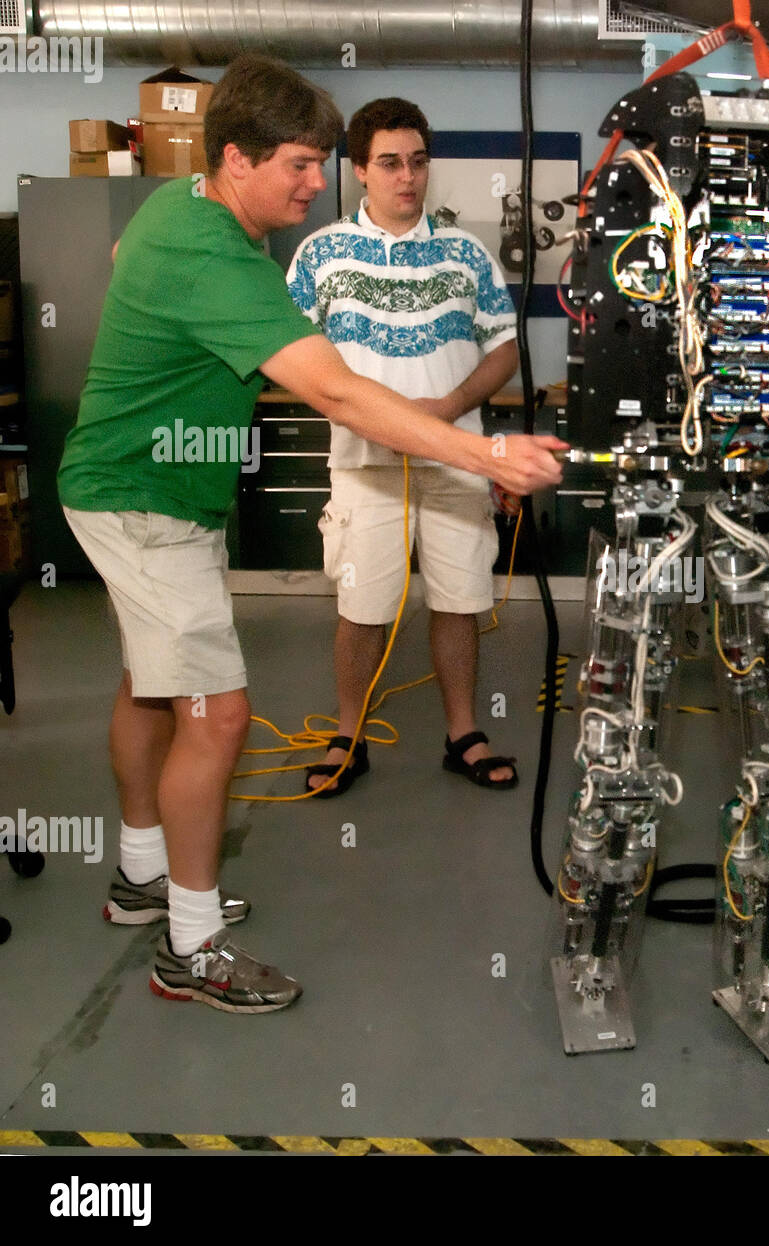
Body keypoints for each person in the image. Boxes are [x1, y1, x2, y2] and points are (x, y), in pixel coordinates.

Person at [57, 54, 566, 1013]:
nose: (312, 182)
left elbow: (129, 263)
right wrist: (491, 458)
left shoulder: (184, 212)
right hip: (144, 505)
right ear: (236, 160)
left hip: (138, 491)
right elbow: (334, 389)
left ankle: (140, 878)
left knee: (150, 685)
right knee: (218, 715)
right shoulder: (216, 250)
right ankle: (191, 949)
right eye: (298, 164)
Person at [287, 98, 519, 799]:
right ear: (360, 169)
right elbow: (286, 352)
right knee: (363, 607)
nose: (407, 177)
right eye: (389, 163)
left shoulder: (464, 252)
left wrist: (446, 410)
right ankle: (349, 734)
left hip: (456, 459)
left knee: (460, 599)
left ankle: (462, 734)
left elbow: (504, 348)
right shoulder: (320, 254)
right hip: (365, 467)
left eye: (418, 161)